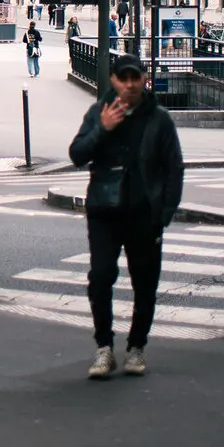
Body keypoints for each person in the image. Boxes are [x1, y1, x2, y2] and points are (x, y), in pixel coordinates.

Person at [70, 54, 184, 379]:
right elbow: (77, 154)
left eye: (136, 78)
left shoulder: (159, 119)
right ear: (114, 81)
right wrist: (102, 130)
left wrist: (164, 213)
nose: (130, 84)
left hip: (144, 212)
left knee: (145, 281)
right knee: (102, 275)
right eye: (124, 78)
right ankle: (104, 347)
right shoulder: (98, 113)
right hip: (104, 210)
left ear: (146, 78)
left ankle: (137, 347)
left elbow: (173, 168)